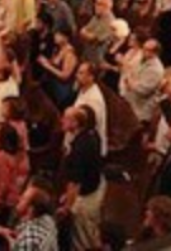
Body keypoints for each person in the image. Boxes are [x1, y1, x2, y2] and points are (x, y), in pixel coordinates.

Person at [59, 106, 104, 250]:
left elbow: (76, 182)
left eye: (66, 118)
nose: (61, 120)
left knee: (82, 241)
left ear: (75, 123)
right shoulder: (92, 135)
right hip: (94, 191)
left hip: (85, 199)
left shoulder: (80, 147)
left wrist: (67, 207)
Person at [0, 177, 59, 251]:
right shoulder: (47, 220)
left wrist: (8, 237)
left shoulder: (29, 237)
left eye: (24, 198)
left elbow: (24, 244)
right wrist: (8, 234)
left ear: (31, 209)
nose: (19, 199)